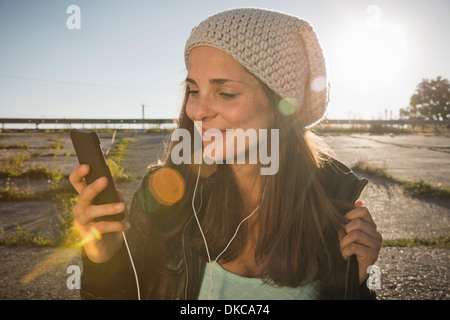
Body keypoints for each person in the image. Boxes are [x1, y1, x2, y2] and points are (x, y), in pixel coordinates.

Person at [69, 8, 382, 300]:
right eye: (193, 90)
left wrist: (357, 284)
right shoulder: (162, 198)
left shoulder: (337, 211)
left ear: (282, 107)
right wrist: (104, 260)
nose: (198, 111)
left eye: (226, 93)